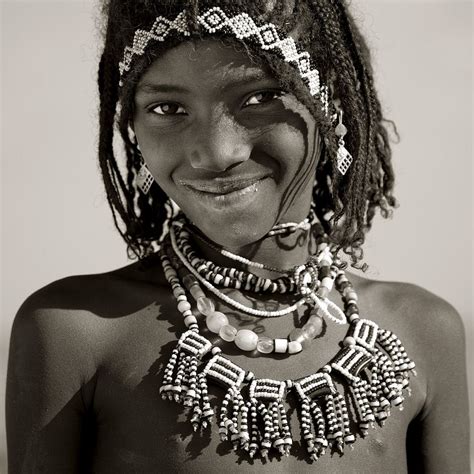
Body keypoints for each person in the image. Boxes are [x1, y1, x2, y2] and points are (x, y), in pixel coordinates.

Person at [6, 1, 470, 472]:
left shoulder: (423, 331)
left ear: (331, 106)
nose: (215, 152)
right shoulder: (75, 331)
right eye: (168, 108)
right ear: (133, 127)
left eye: (258, 98)